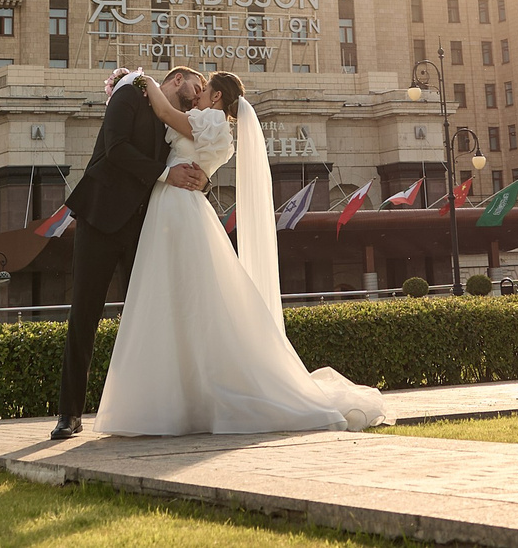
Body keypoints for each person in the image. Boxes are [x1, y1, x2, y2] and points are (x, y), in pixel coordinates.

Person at [90, 69, 391, 436]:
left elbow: (166, 114)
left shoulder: (210, 120)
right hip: (176, 207)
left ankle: (183, 399)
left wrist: (139, 79)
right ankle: (184, 396)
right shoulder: (219, 131)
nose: (198, 95)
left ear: (217, 97)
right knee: (186, 300)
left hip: (177, 208)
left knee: (178, 296)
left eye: (204, 90)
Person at [52, 65, 211, 440]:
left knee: (148, 318)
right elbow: (116, 148)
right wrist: (165, 174)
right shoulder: (128, 93)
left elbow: (190, 161)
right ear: (176, 79)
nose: (199, 92)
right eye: (197, 84)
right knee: (84, 315)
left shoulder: (177, 123)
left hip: (145, 227)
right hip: (100, 219)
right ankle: (69, 414)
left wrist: (202, 180)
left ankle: (147, 411)